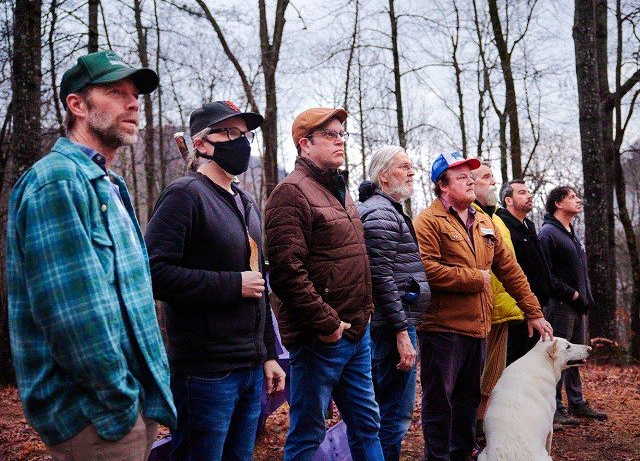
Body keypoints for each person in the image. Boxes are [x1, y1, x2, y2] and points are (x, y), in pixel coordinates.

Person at [6, 50, 176, 460]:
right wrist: (120, 404)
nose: (134, 103)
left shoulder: (110, 183)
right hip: (97, 418)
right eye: (117, 93)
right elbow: (73, 316)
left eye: (135, 95)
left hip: (129, 405)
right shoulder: (57, 180)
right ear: (77, 105)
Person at [145, 101, 286, 461]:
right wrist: (231, 284)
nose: (242, 142)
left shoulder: (245, 202)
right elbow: (154, 274)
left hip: (250, 368)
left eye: (246, 134)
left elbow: (260, 286)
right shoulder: (184, 195)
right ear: (202, 143)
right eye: (230, 133)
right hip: (205, 373)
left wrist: (268, 354)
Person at [413, 151, 553, 461]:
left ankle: (461, 454)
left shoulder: (484, 221)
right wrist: (473, 279)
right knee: (439, 403)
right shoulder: (427, 220)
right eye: (461, 176)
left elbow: (511, 270)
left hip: (478, 326)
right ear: (442, 185)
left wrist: (533, 311)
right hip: (442, 329)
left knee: (468, 401)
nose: (470, 181)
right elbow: (425, 268)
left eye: (471, 175)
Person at [265, 107, 384, 461]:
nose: (340, 141)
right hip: (321, 338)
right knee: (308, 433)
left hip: (356, 331)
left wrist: (362, 315)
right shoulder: (291, 193)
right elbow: (286, 272)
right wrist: (328, 325)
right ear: (305, 144)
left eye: (342, 134)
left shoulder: (339, 191)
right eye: (330, 135)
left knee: (367, 425)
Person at [358, 146, 431, 461]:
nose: (411, 172)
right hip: (390, 328)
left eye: (411, 166)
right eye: (404, 166)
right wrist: (402, 331)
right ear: (383, 176)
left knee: (388, 411)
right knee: (392, 414)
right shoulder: (380, 213)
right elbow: (381, 277)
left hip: (394, 324)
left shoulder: (388, 210)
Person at [469, 163, 532, 444]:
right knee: (482, 380)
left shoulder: (491, 218)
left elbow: (508, 266)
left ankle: (482, 429)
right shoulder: (472, 217)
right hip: (485, 311)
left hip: (502, 309)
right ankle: (476, 431)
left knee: (492, 379)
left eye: (492, 176)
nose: (492, 181)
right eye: (486, 177)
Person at [539, 186, 607, 425]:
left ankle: (576, 402)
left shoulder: (569, 232)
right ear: (558, 203)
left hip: (577, 307)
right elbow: (546, 276)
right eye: (572, 197)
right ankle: (555, 407)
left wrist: (585, 297)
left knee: (575, 356)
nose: (578, 200)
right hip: (560, 306)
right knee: (557, 358)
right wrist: (574, 294)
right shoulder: (548, 233)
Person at [497, 180, 554, 365]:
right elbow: (508, 269)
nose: (529, 195)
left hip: (537, 306)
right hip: (517, 310)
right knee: (515, 364)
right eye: (522, 192)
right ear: (508, 200)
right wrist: (526, 310)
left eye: (528, 191)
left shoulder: (529, 225)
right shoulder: (502, 225)